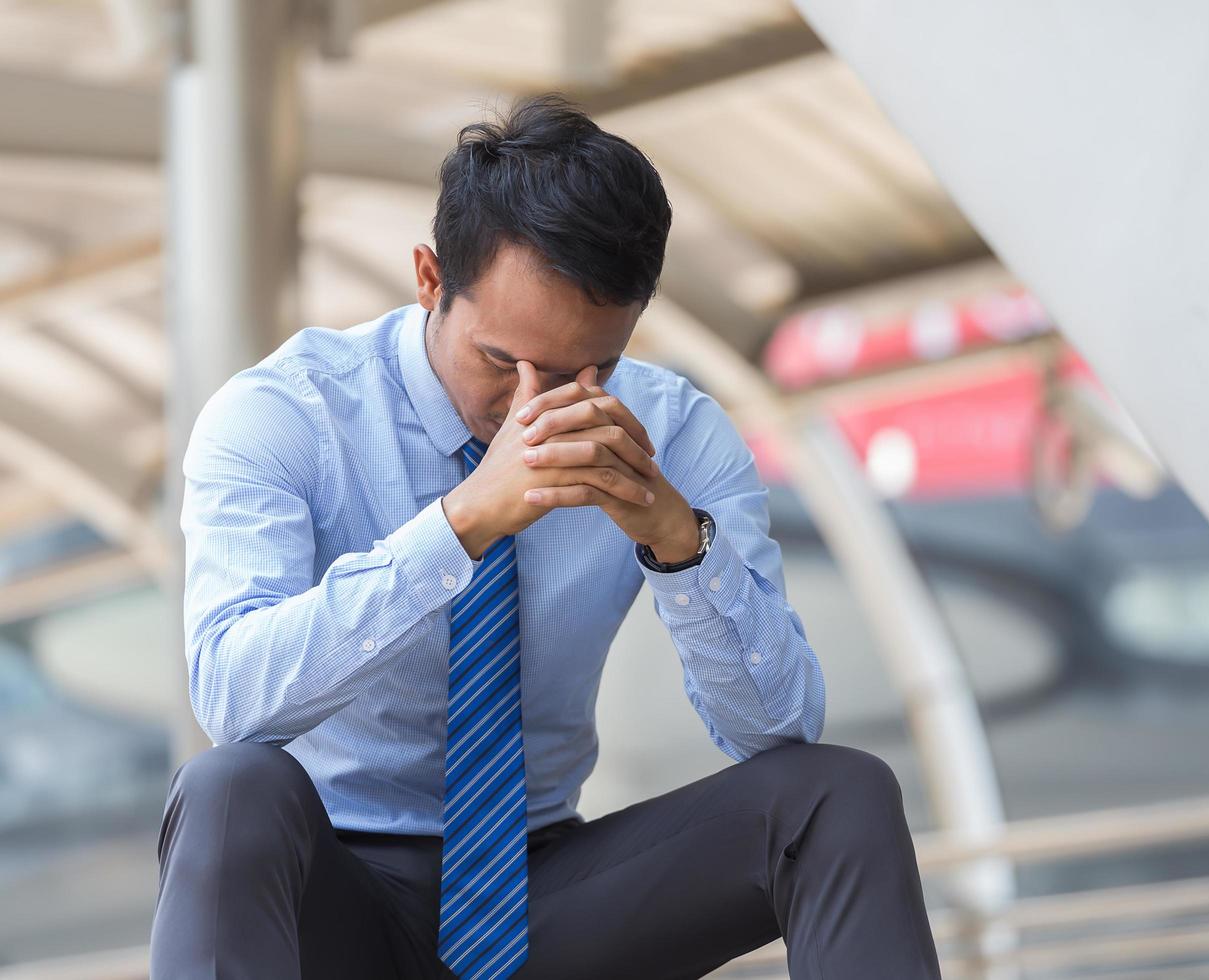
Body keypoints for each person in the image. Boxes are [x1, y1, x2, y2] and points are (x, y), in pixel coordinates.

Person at [149, 93, 942, 980]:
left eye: (587, 370)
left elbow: (778, 733)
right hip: (326, 897)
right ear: (428, 279)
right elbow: (231, 697)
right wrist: (460, 526)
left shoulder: (674, 432)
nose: (541, 403)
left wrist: (679, 544)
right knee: (229, 789)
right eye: (501, 361)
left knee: (840, 794)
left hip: (546, 894)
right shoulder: (284, 413)